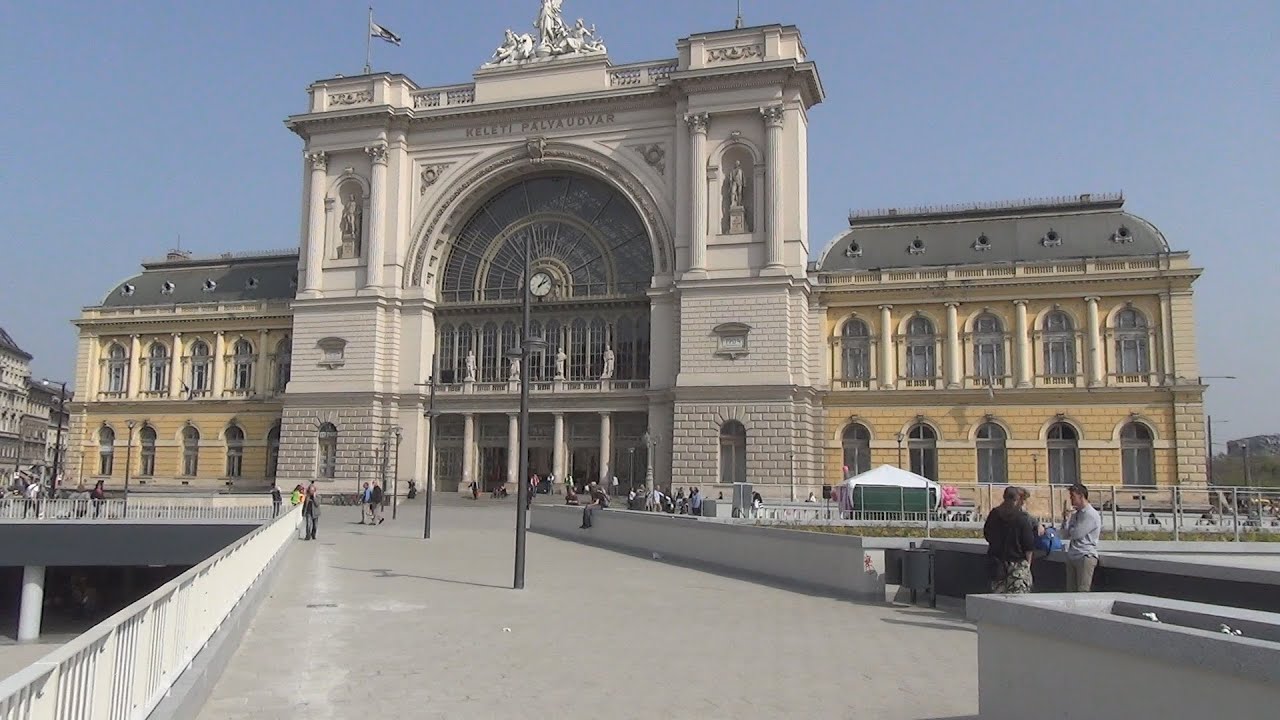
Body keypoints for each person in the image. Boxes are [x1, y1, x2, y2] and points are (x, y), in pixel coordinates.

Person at [983, 486, 1036, 594]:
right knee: (1018, 601)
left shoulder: (994, 514)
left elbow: (987, 534)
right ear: (1017, 500)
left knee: (998, 600)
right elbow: (1028, 545)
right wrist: (1028, 566)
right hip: (1017, 566)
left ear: (1004, 497)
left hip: (997, 564)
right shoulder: (1022, 518)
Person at [1060, 483, 1102, 592]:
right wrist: (1065, 520)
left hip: (1085, 555)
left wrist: (1071, 527)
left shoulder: (1090, 514)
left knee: (1082, 591)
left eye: (1073, 497)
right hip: (1072, 555)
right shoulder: (1076, 514)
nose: (1071, 500)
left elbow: (1076, 534)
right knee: (1070, 591)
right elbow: (1065, 534)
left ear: (1081, 496)